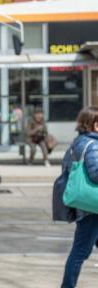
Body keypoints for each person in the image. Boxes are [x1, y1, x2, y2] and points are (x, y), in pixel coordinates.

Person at [58, 107, 98, 288]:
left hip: (86, 205)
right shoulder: (93, 145)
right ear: (94, 125)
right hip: (93, 206)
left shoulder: (77, 143)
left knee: (81, 249)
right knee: (80, 251)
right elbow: (96, 173)